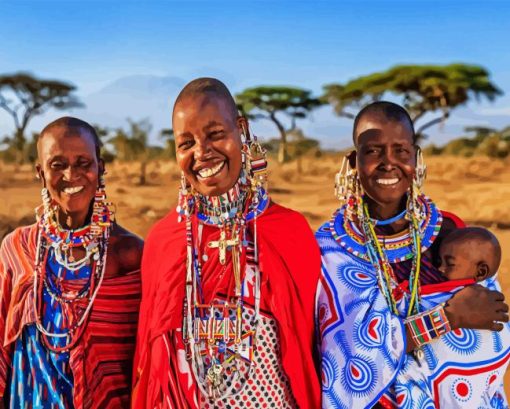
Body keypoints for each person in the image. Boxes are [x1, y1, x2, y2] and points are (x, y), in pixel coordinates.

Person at [132, 78, 321, 408]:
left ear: (241, 129)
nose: (202, 153)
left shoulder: (290, 232)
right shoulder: (163, 241)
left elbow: (311, 351)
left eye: (215, 134)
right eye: (185, 143)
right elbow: (149, 366)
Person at [315, 101, 510, 408]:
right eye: (373, 151)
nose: (388, 162)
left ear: (416, 157)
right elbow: (343, 357)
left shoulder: (451, 233)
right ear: (353, 161)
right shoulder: (329, 248)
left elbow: (490, 320)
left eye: (401, 150)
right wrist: (448, 317)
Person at [0, 117, 143, 408]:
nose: (71, 174)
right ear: (41, 173)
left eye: (83, 163)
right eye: (57, 165)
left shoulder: (131, 255)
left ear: (100, 168)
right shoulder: (18, 248)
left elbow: (146, 360)